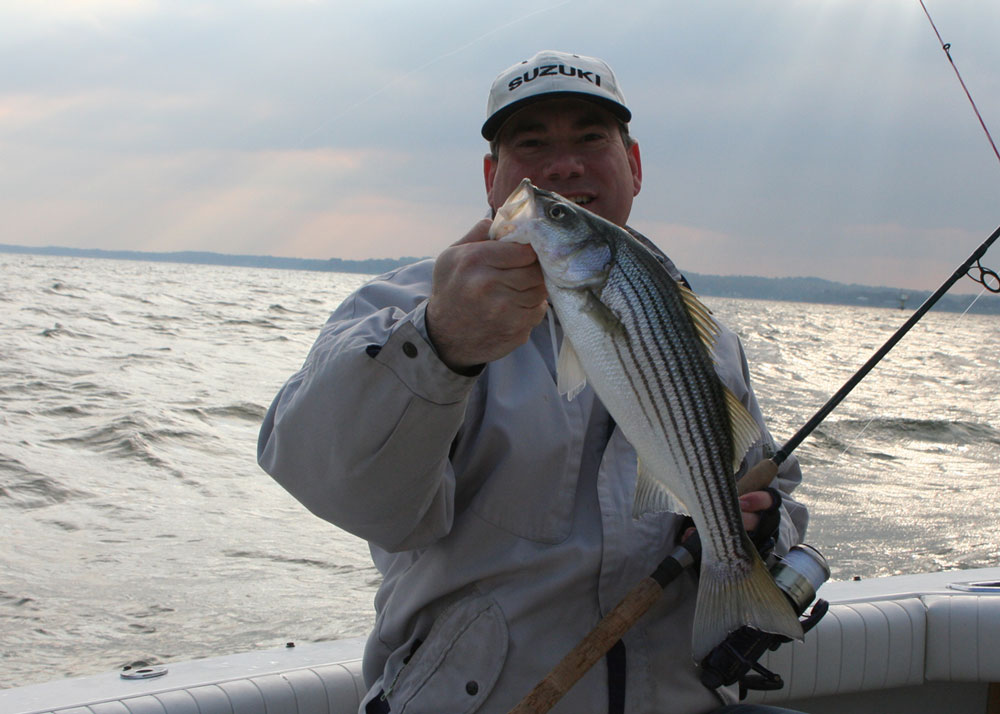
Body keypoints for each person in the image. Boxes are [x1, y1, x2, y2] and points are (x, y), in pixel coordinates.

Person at [258, 50, 810, 714]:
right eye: (532, 144)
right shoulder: (402, 312)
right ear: (495, 181)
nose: (564, 165)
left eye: (589, 138)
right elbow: (333, 482)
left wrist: (763, 525)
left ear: (633, 165)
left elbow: (768, 476)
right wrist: (440, 344)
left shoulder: (701, 333)